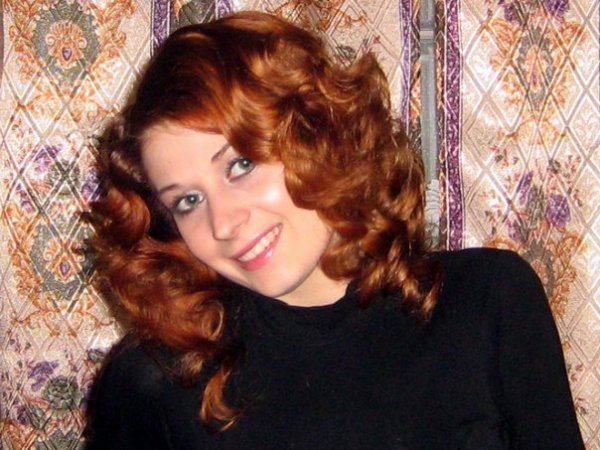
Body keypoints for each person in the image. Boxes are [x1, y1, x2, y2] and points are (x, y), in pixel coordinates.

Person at [83, 10, 584, 450]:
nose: (224, 223)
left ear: (319, 133)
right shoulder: (155, 381)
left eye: (241, 165)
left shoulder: (488, 301)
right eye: (188, 201)